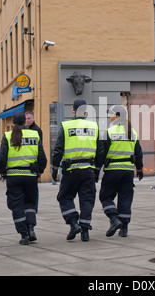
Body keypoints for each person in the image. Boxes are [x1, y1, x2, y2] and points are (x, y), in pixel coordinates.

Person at [52, 99, 103, 242]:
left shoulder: (66, 126)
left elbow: (58, 150)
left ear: (73, 111)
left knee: (64, 197)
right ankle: (85, 231)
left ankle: (74, 223)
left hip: (70, 170)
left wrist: (54, 169)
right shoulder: (94, 126)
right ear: (85, 112)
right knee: (87, 200)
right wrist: (98, 170)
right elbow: (100, 151)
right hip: (88, 170)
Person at [0, 111, 47, 245]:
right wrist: (39, 172)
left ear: (13, 123)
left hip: (14, 177)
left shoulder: (7, 136)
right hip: (30, 176)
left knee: (17, 206)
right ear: (25, 121)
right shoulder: (35, 134)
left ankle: (24, 235)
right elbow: (42, 157)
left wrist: (2, 172)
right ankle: (31, 229)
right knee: (30, 203)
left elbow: (1, 159)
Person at [97, 105, 143, 238]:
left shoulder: (109, 131)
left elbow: (102, 152)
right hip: (128, 171)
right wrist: (139, 169)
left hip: (112, 170)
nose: (109, 117)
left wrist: (97, 169)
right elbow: (138, 153)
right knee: (125, 198)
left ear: (116, 116)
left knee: (105, 197)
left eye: (110, 114)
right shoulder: (132, 132)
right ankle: (124, 228)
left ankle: (114, 219)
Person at [25, 111, 43, 212]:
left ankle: (34, 206)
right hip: (27, 162)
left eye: (29, 119)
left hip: (34, 162)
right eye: (26, 119)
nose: (27, 121)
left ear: (33, 119)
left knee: (34, 187)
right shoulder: (25, 129)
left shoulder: (37, 130)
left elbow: (39, 149)